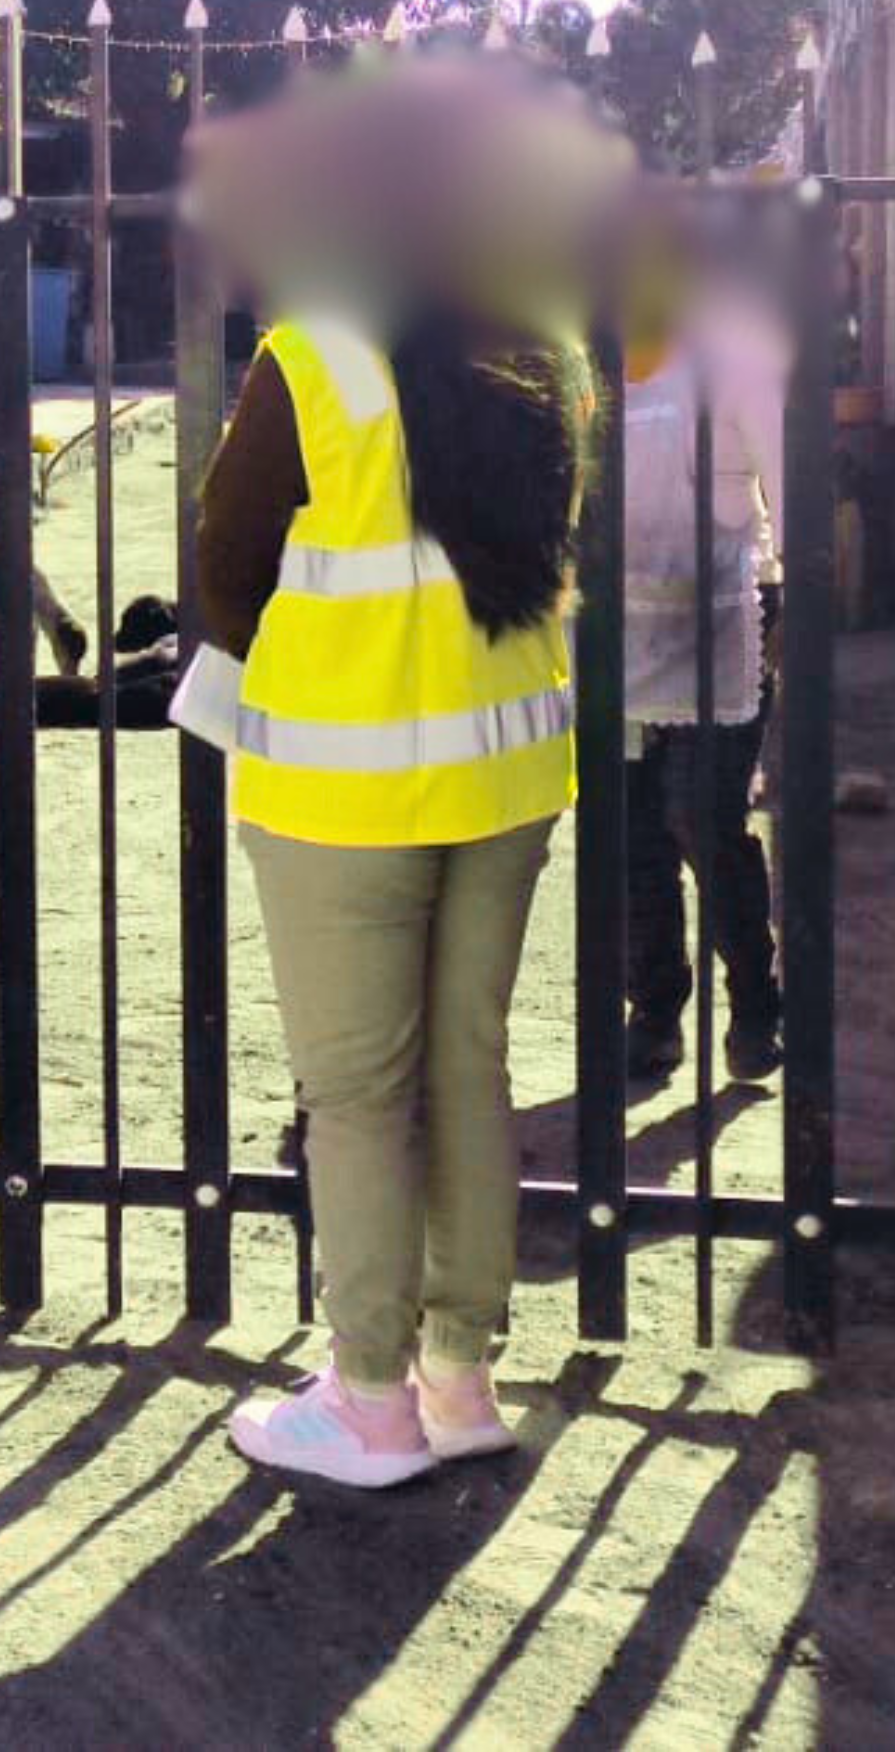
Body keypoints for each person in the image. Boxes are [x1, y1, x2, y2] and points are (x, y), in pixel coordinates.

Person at [197, 303, 590, 1489]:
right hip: (503, 764)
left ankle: (369, 1398)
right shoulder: (541, 343)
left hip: (344, 777)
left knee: (357, 1094)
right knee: (467, 1064)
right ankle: (458, 1381)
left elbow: (226, 560)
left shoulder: (312, 354)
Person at [620, 275, 787, 1085]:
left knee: (701, 821)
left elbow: (794, 494)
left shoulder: (734, 364)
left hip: (722, 630)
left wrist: (797, 614)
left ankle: (754, 1005)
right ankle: (654, 1013)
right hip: (617, 642)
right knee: (629, 839)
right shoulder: (592, 370)